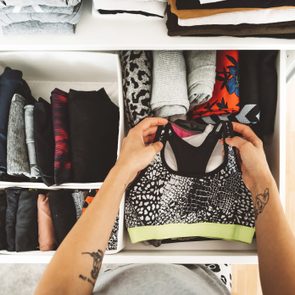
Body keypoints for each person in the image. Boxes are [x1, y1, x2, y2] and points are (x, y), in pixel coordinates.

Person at [35, 117, 295, 295]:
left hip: (121, 270)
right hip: (209, 275)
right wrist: (261, 181)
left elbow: (60, 290)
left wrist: (121, 173)